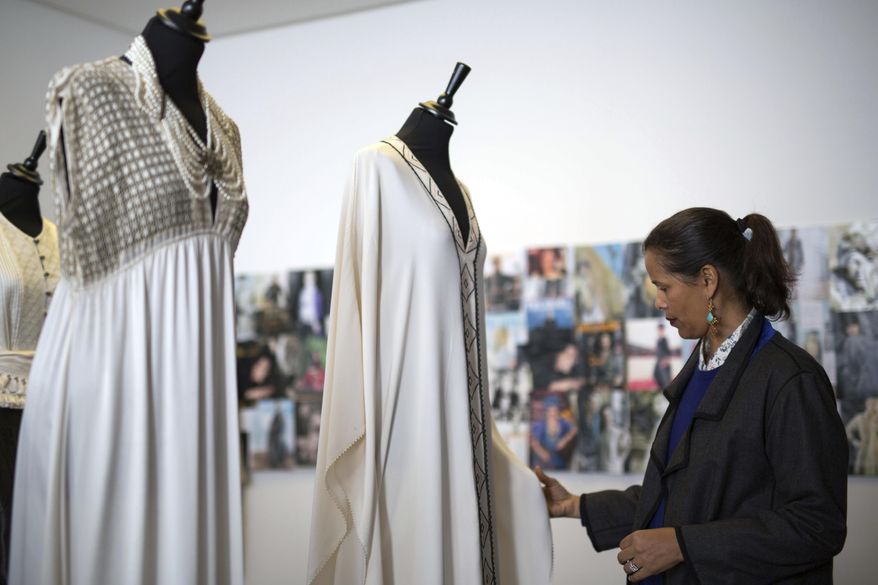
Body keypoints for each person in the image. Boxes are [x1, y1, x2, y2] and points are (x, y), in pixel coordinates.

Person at [535, 208, 848, 584]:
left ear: (707, 280)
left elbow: (817, 525)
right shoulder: (702, 368)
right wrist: (575, 506)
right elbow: (683, 494)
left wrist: (684, 545)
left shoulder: (791, 379)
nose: (658, 302)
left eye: (663, 286)